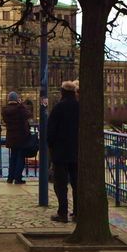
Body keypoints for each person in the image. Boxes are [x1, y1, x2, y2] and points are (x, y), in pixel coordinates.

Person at [46, 80, 79, 223]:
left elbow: (50, 131)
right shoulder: (80, 107)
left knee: (60, 184)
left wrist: (51, 146)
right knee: (77, 184)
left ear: (62, 92)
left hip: (60, 152)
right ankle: (78, 212)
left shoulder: (58, 107)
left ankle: (62, 213)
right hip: (77, 152)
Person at [1, 91, 32, 185]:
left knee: (13, 158)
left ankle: (10, 178)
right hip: (21, 137)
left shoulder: (5, 110)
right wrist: (21, 104)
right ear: (16, 99)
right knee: (20, 158)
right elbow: (28, 115)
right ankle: (18, 178)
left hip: (11, 136)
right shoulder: (20, 109)